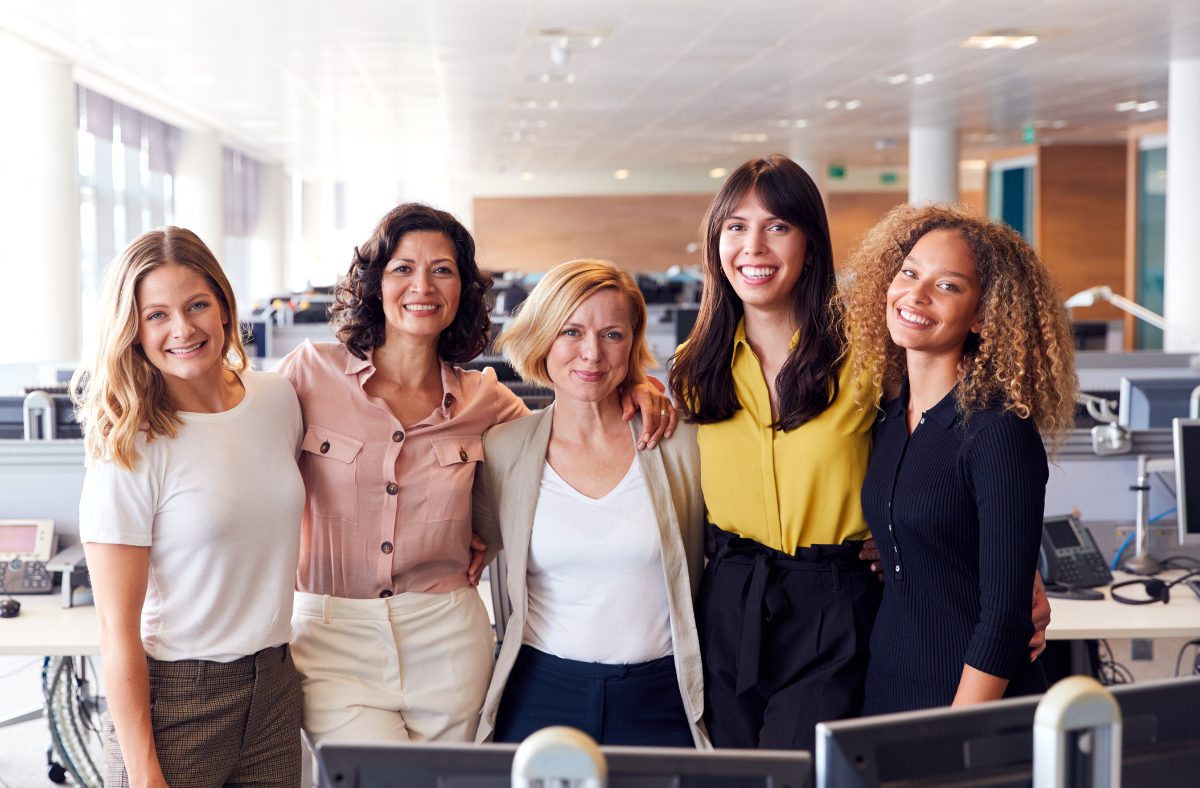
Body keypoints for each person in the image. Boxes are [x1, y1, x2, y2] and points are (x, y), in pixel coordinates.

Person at [668, 155, 1051, 751]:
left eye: (777, 227)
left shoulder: (868, 357)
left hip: (831, 597)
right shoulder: (693, 369)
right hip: (729, 596)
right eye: (736, 226)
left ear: (810, 244)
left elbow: (960, 449)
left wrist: (1018, 569)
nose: (754, 246)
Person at [274, 204, 675, 746]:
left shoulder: (488, 402)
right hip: (334, 636)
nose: (423, 285)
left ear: (463, 287)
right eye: (402, 268)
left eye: (442, 269)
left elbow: (568, 433)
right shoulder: (308, 374)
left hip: (447, 634)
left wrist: (634, 386)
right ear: (375, 283)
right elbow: (234, 427)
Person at [75, 228, 305, 787]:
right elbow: (117, 633)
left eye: (197, 304)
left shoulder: (277, 399)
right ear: (133, 330)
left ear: (224, 307)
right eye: (157, 315)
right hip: (176, 699)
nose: (182, 329)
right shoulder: (129, 445)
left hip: (274, 684)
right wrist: (142, 771)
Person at [842, 204, 1077, 713]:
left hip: (970, 709)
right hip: (888, 688)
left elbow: (1005, 620)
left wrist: (953, 737)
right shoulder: (887, 416)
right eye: (909, 273)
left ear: (982, 316)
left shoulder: (997, 432)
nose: (916, 295)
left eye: (948, 286)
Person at [473, 259, 708, 747]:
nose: (591, 354)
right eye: (571, 331)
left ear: (632, 343)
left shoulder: (679, 442)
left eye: (612, 335)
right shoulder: (503, 449)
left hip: (663, 695)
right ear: (543, 338)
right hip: (541, 691)